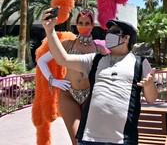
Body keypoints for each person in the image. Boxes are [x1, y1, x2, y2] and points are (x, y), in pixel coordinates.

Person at [41, 8, 158, 145]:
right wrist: (50, 31)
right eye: (108, 32)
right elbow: (63, 59)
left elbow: (152, 99)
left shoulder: (140, 62)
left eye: (114, 32)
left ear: (126, 38)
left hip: (122, 139)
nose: (109, 35)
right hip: (89, 137)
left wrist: (149, 85)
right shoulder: (95, 59)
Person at [37, 9, 108, 145]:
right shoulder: (67, 44)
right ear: (76, 24)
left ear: (93, 25)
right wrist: (54, 80)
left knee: (91, 139)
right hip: (68, 95)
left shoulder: (100, 49)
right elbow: (41, 60)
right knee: (77, 141)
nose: (84, 25)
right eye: (81, 22)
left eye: (87, 23)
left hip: (91, 96)